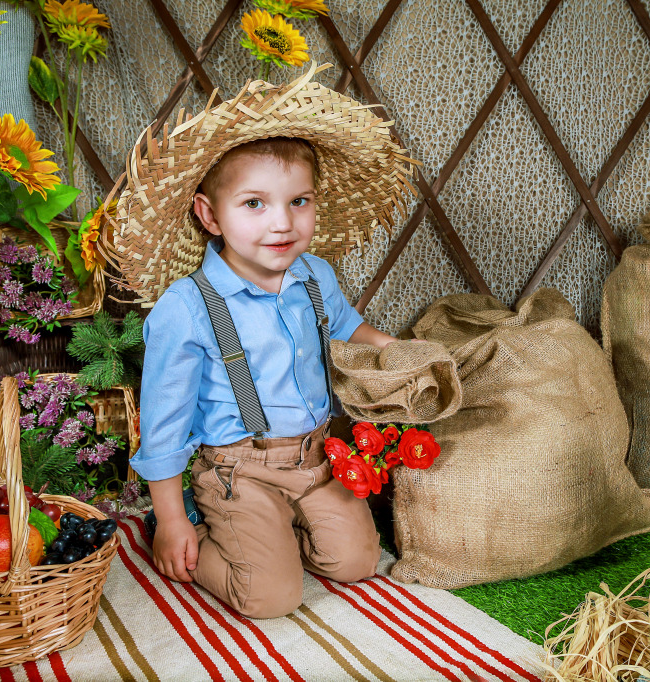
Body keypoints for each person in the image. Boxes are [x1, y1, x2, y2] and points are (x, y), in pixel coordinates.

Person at [105, 69, 416, 618]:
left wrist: (396, 351)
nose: (282, 223)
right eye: (254, 203)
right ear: (209, 215)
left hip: (318, 456)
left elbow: (348, 327)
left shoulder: (314, 275)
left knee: (356, 562)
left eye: (299, 201)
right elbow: (164, 419)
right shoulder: (188, 306)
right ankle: (197, 531)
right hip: (237, 468)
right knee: (270, 598)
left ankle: (276, 532)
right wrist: (172, 516)